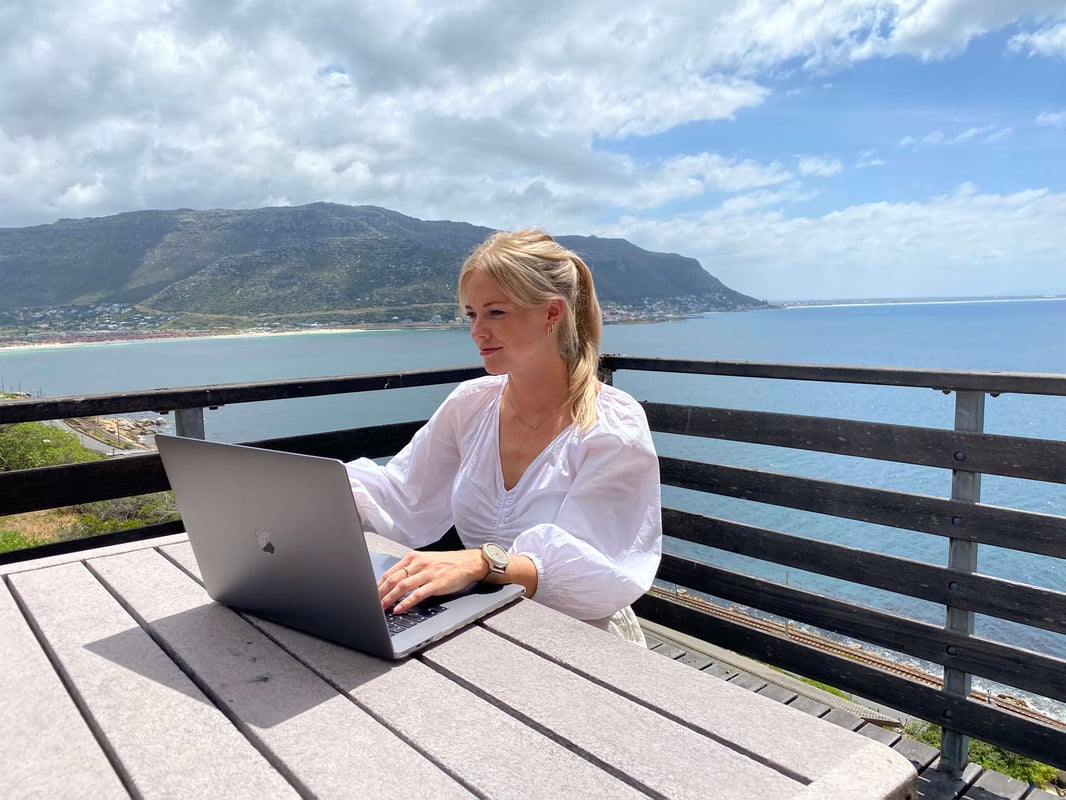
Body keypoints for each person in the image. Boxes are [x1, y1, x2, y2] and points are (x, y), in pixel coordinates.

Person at [344, 229, 662, 644]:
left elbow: (598, 570)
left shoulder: (612, 424)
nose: (477, 331)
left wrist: (480, 564)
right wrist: (311, 494)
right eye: (471, 314)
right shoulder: (471, 404)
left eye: (496, 313)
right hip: (486, 623)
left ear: (552, 313)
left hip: (582, 636)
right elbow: (403, 493)